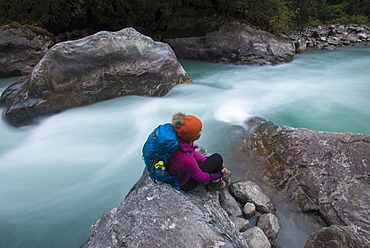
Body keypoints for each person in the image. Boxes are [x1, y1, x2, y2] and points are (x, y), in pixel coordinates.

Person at [167, 112, 231, 192]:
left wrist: (207, 161)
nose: (201, 130)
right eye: (199, 130)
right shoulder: (186, 159)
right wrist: (220, 174)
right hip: (184, 184)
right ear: (193, 137)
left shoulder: (177, 141)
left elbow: (192, 152)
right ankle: (215, 184)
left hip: (175, 173)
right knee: (217, 158)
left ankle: (216, 172)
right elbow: (201, 177)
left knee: (214, 160)